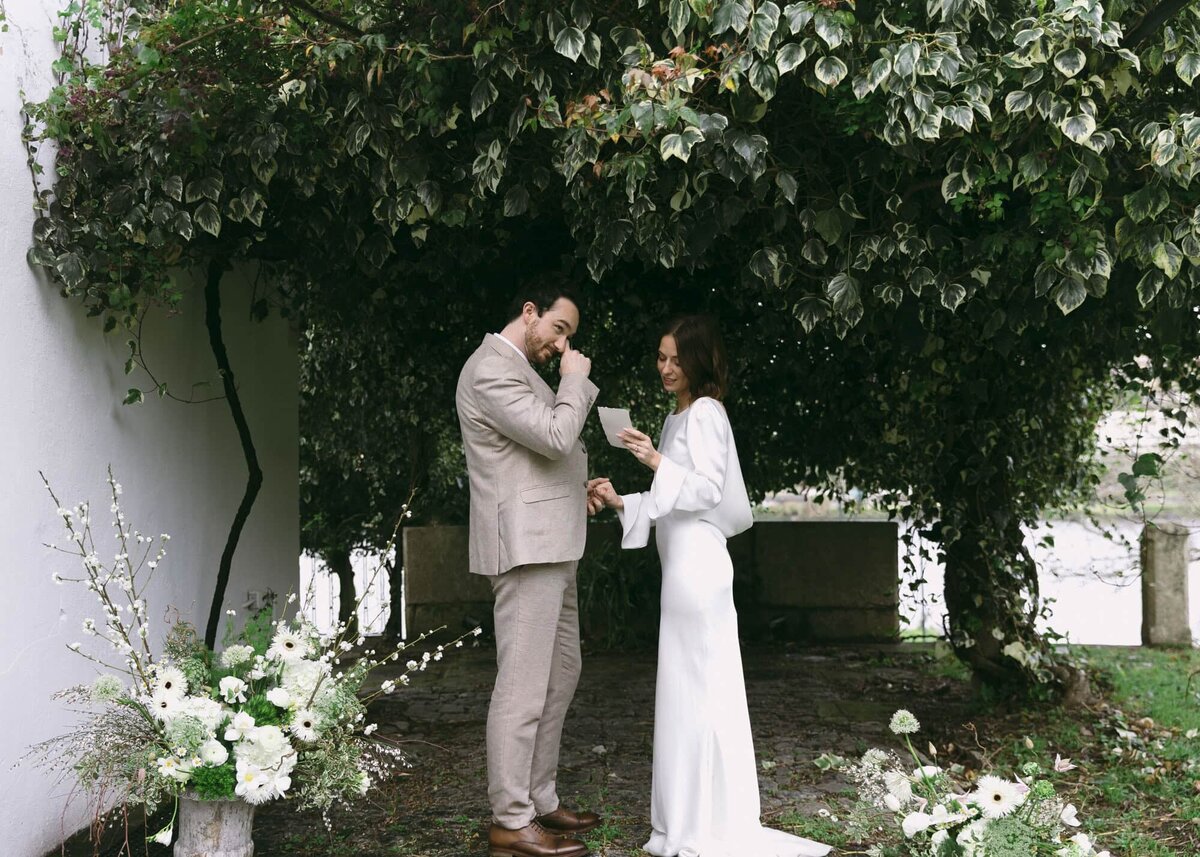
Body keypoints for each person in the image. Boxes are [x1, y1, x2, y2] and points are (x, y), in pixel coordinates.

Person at [589, 316, 832, 857]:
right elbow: (668, 500)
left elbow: (704, 491)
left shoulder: (705, 412)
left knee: (700, 687)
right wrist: (620, 501)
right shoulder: (677, 420)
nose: (666, 368)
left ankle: (706, 823)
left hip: (699, 567)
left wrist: (654, 459)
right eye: (660, 357)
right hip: (680, 564)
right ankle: (687, 819)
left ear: (699, 361)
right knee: (684, 689)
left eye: (676, 359)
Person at [456, 279, 608, 857]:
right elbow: (553, 435)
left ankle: (540, 798)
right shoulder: (490, 368)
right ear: (529, 313)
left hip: (555, 542)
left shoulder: (521, 371)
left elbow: (543, 458)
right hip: (525, 551)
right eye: (559, 329)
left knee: (560, 674)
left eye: (569, 336)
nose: (562, 344)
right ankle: (511, 819)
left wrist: (578, 489)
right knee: (522, 688)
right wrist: (574, 380)